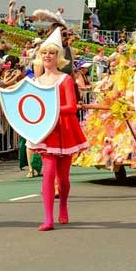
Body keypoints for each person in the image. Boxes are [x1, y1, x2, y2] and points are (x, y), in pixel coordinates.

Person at [26, 28, 88, 231]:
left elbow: (71, 107)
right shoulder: (35, 82)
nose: (47, 56)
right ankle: (47, 218)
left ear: (58, 56)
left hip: (64, 130)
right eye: (44, 53)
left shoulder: (65, 79)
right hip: (46, 132)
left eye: (51, 53)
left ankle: (62, 206)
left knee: (63, 177)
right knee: (48, 173)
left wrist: (51, 109)